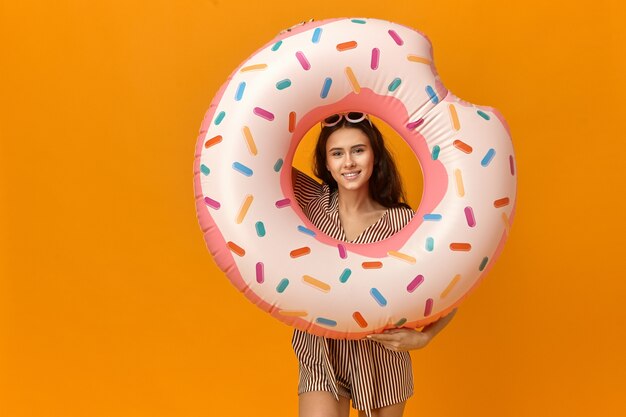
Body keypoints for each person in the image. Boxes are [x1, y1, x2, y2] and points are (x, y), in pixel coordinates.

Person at [291, 112, 457, 417]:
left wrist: (424, 336)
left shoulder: (403, 222)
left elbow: (453, 284)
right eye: (337, 153)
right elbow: (257, 166)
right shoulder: (313, 202)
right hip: (322, 350)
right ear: (326, 163)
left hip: (382, 356)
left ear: (374, 155)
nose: (349, 162)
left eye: (358, 150)